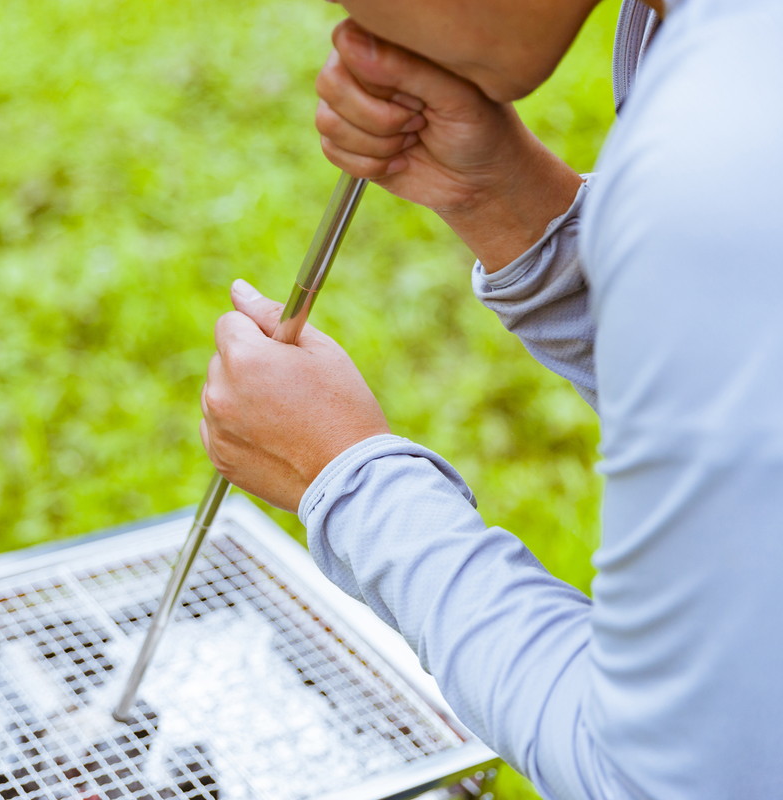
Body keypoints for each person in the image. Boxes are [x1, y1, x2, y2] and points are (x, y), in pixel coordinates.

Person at [198, 0, 783, 797]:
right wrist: (505, 204)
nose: (347, 13)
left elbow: (662, 777)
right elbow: (740, 371)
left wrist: (353, 485)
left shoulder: (727, 138)